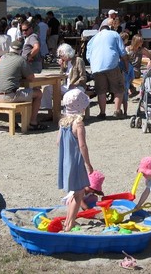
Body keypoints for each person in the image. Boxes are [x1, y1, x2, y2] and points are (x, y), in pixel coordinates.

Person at [57, 89, 94, 232]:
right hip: (76, 162)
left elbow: (58, 141)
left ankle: (68, 221)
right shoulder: (78, 123)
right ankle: (70, 223)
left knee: (74, 193)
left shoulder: (63, 122)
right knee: (78, 195)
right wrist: (88, 163)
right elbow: (82, 145)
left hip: (66, 161)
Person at [0, 40, 47, 131]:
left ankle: (16, 121)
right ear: (21, 50)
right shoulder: (21, 60)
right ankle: (33, 122)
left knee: (21, 92)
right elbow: (31, 78)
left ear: (10, 49)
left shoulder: (3, 57)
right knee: (38, 93)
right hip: (8, 96)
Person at [86, 18, 129, 119]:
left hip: (96, 67)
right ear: (109, 28)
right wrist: (126, 65)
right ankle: (117, 111)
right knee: (118, 88)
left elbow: (88, 56)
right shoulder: (114, 34)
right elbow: (122, 52)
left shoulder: (93, 39)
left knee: (101, 90)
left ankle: (102, 113)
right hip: (112, 65)